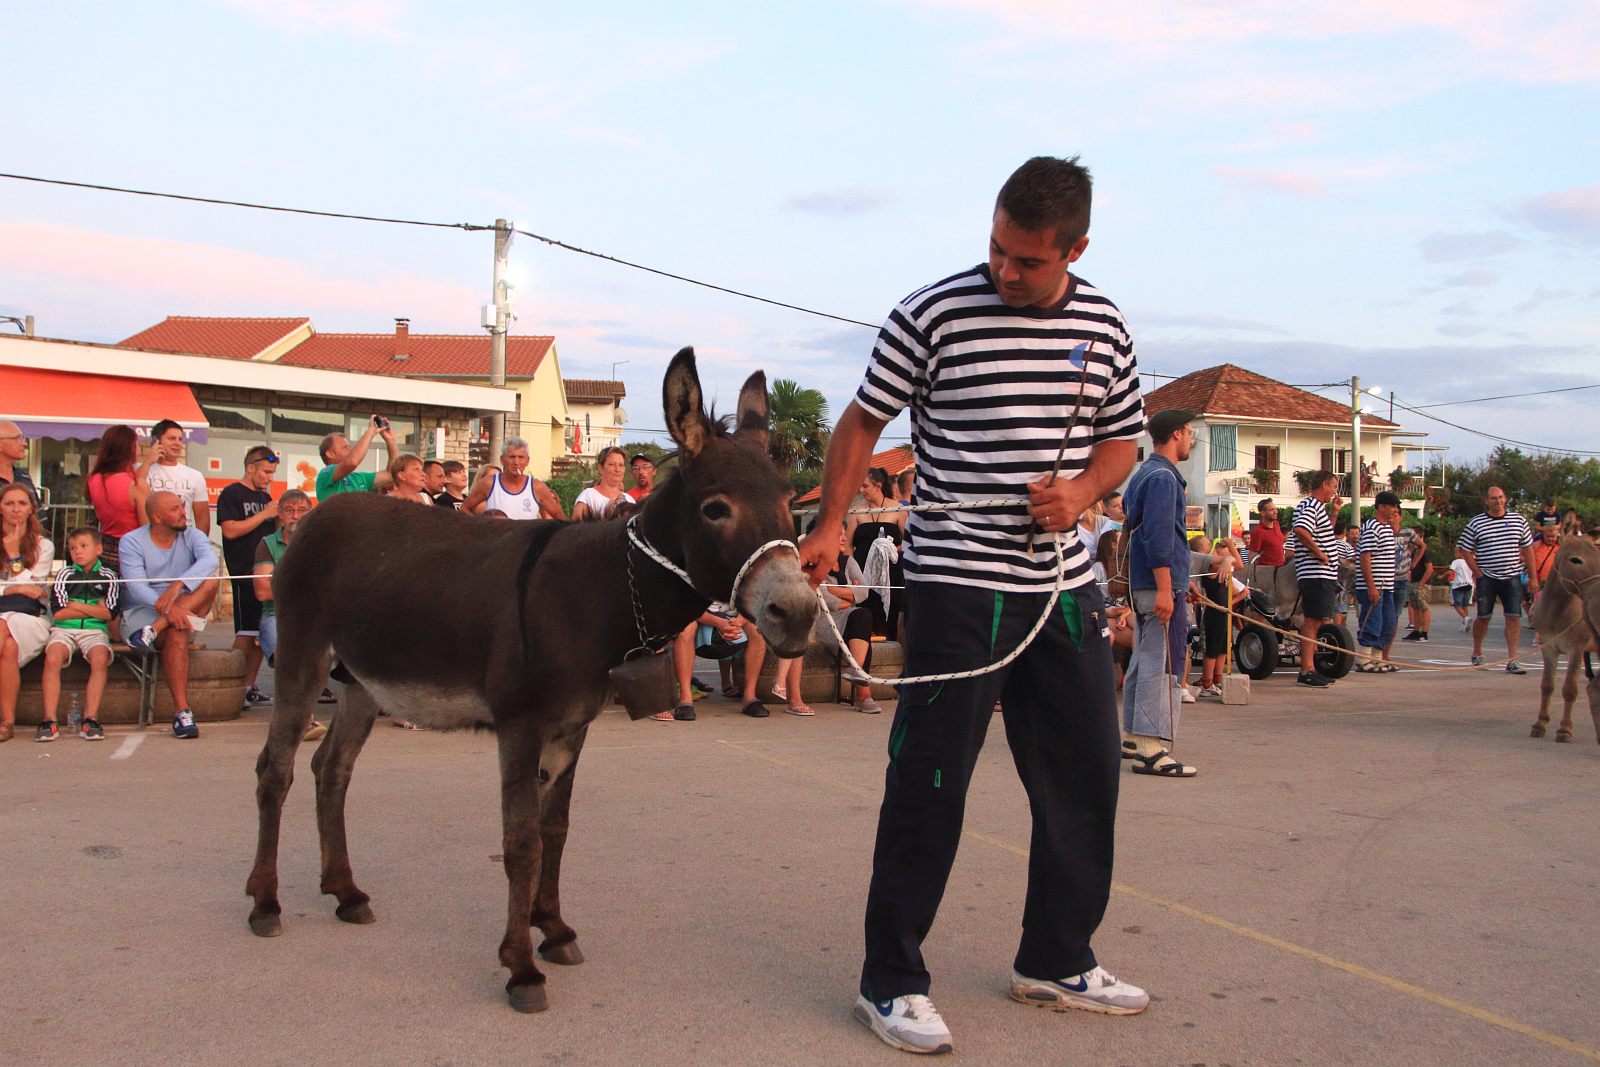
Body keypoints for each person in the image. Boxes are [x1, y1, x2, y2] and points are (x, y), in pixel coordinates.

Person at [796, 155, 1148, 1055]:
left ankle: (1057, 956)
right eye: (996, 247)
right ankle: (891, 979)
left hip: (1064, 587)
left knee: (1084, 776)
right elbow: (862, 421)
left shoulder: (1104, 323)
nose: (1004, 270)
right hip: (959, 582)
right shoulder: (934, 312)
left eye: (1027, 260)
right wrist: (833, 519)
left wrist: (1082, 490)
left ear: (1074, 247)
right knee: (931, 778)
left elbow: (1124, 443)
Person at [1122, 409, 1200, 776]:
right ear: (1175, 435)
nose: (1191, 439)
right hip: (1157, 586)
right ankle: (1151, 748)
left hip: (1144, 583)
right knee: (1163, 663)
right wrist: (1168, 588)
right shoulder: (1165, 478)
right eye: (1189, 432)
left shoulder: (1142, 474)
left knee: (1144, 657)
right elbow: (1158, 537)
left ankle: (1134, 738)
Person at [118, 492, 220, 739]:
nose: (184, 513)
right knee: (177, 632)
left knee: (212, 579)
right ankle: (182, 712)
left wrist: (179, 584)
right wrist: (168, 609)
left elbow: (209, 559)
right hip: (141, 613)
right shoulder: (131, 541)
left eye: (182, 506)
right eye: (175, 509)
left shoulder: (192, 535)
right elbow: (136, 587)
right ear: (157, 516)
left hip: (181, 614)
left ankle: (155, 629)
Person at [251, 490, 328, 741]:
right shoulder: (268, 544)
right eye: (289, 510)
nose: (295, 516)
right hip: (278, 615)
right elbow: (263, 590)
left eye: (302, 510)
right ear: (280, 513)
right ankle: (303, 719)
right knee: (289, 655)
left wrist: (288, 586)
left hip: (316, 617)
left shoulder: (320, 544)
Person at [38, 527, 119, 741]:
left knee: (100, 658)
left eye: (84, 546)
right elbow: (59, 613)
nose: (78, 552)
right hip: (64, 629)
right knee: (53, 657)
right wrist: (94, 607)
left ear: (98, 549)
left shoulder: (109, 576)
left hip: (94, 630)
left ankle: (90, 719)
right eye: (73, 548)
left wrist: (76, 605)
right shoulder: (65, 574)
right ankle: (49, 720)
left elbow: (110, 613)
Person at [219, 446, 280, 706]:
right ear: (250, 466)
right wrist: (265, 514)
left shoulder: (266, 498)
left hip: (265, 571)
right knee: (246, 633)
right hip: (244, 572)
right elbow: (231, 530)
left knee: (258, 635)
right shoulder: (231, 494)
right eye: (266, 472)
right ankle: (228, 687)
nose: (269, 477)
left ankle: (248, 686)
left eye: (273, 473)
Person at [1458, 485, 1536, 674]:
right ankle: (1477, 652)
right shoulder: (1476, 523)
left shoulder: (1518, 520)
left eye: (1500, 497)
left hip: (1512, 576)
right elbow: (1465, 549)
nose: (1498, 501)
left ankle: (1513, 659)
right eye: (1493, 498)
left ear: (1505, 498)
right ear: (1486, 501)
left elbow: (1528, 549)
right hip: (1487, 577)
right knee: (1483, 617)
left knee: (1513, 617)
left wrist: (1533, 577)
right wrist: (1477, 572)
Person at [0, 483, 54, 742]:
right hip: (4, 618)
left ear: (32, 509)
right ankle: (7, 722)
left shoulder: (44, 546)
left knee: (3, 628)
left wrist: (13, 556)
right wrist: (12, 589)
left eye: (22, 503)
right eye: (9, 503)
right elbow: (23, 587)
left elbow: (35, 590)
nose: (15, 509)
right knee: (7, 647)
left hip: (30, 618)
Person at [816, 524, 881, 714]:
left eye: (845, 534)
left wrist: (833, 589)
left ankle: (857, 674)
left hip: (851, 618)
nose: (845, 538)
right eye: (839, 534)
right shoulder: (815, 563)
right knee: (861, 619)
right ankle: (863, 695)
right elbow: (822, 597)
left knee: (862, 617)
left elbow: (865, 591)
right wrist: (850, 594)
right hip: (824, 620)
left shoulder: (849, 562)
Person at [1290, 470, 1340, 688]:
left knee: (1318, 620)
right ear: (1325, 484)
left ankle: (1310, 667)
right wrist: (1319, 553)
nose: (1335, 492)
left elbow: (1318, 529)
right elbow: (1301, 529)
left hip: (1320, 574)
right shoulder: (1312, 505)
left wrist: (1335, 512)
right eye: (1334, 487)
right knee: (1312, 622)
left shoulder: (1314, 507)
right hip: (1316, 573)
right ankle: (1307, 669)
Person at [85, 424, 154, 574]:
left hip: (106, 547)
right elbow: (147, 528)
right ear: (129, 449)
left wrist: (147, 463)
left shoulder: (94, 479)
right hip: (133, 549)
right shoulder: (136, 484)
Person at [846, 467, 906, 638]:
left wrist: (889, 547)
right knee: (865, 613)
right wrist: (851, 572)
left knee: (889, 616)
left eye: (865, 486)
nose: (861, 490)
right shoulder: (856, 511)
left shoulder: (898, 509)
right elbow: (848, 545)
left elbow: (908, 541)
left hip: (890, 573)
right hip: (862, 571)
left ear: (878, 485)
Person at [1354, 492, 1402, 672]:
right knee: (1372, 621)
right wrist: (1371, 586)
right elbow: (1365, 557)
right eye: (1392, 506)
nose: (1395, 510)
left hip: (1387, 585)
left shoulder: (1387, 529)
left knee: (1388, 622)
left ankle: (1377, 658)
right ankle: (1363, 658)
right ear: (1381, 507)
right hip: (1374, 586)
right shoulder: (1371, 527)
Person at [464, 437, 564, 519]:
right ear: (502, 459)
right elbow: (464, 508)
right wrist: (481, 527)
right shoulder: (489, 483)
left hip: (526, 543)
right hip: (497, 542)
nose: (516, 462)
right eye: (512, 457)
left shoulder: (537, 487)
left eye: (521, 457)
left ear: (527, 461)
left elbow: (560, 517)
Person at [144, 419, 211, 535]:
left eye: (180, 439)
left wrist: (199, 546)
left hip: (184, 540)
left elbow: (203, 519)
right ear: (156, 441)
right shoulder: (142, 470)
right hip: (151, 539)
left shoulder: (195, 475)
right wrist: (148, 462)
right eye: (171, 439)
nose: (177, 443)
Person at [316, 416, 398, 498]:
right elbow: (352, 462)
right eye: (345, 447)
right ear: (330, 454)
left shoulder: (358, 478)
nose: (351, 450)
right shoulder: (325, 474)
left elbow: (391, 475)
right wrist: (370, 431)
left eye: (350, 446)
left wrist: (391, 441)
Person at [572, 446, 629, 520]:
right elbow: (576, 528)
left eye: (621, 465)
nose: (617, 469)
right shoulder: (587, 497)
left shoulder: (629, 500)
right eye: (611, 464)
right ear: (600, 468)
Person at [1400, 530, 1435, 643]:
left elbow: (1429, 569)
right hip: (1414, 582)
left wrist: (1421, 583)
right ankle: (1416, 631)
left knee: (1424, 607)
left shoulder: (1424, 551)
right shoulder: (1415, 551)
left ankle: (1424, 633)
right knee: (1415, 607)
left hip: (1422, 584)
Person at [0, 421, 37, 500]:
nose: (24, 444)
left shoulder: (23, 476)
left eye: (23, 438)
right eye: (17, 439)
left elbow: (36, 509)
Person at [1247, 498, 1287, 567]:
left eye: (1275, 509)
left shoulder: (1276, 524)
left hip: (1280, 569)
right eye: (1271, 510)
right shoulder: (1258, 531)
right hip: (1267, 571)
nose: (1276, 512)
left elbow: (1279, 542)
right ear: (1263, 513)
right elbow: (1252, 555)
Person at [1447, 555, 1474, 630]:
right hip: (1469, 584)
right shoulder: (1470, 562)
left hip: (1458, 585)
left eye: (1456, 552)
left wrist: (1442, 576)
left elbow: (1450, 571)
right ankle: (1465, 624)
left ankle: (1466, 618)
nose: (1455, 554)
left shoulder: (1455, 562)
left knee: (1457, 605)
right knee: (1465, 605)